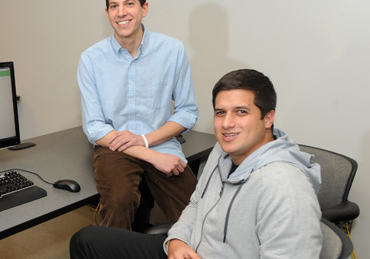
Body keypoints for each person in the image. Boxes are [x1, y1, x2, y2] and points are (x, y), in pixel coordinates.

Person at [70, 69, 323, 259]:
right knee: (86, 240)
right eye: (220, 112)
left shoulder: (285, 187)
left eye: (241, 112)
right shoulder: (223, 151)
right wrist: (177, 240)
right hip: (191, 249)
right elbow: (196, 204)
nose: (227, 123)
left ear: (268, 119)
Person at [77, 0, 199, 230]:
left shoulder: (172, 50)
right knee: (119, 201)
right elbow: (95, 128)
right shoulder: (90, 59)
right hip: (114, 148)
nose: (121, 12)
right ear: (108, 12)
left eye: (129, 4)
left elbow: (187, 112)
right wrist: (149, 156)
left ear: (144, 8)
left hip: (160, 142)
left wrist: (145, 141)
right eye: (114, 6)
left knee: (198, 213)